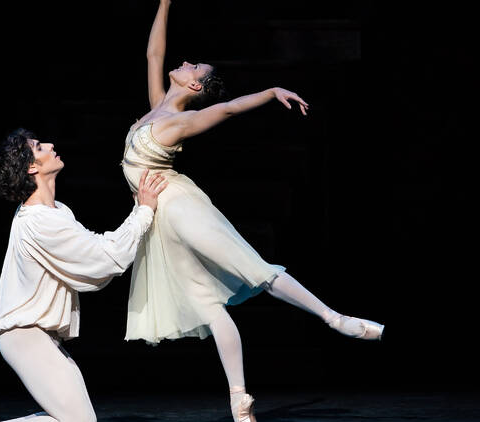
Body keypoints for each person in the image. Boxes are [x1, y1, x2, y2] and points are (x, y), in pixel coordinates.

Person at [121, 2, 384, 421]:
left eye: (195, 68)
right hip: (161, 219)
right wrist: (165, 3)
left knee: (252, 268)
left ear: (195, 88)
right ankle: (239, 399)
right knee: (209, 304)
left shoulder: (177, 122)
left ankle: (334, 318)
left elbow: (225, 109)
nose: (185, 63)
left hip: (179, 206)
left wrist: (270, 92)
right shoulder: (157, 104)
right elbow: (154, 53)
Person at [0, 128, 167, 422]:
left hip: (36, 336)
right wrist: (144, 211)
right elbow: (104, 258)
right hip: (25, 335)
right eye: (38, 146)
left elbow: (95, 253)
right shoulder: (39, 221)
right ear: (32, 167)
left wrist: (140, 213)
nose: (50, 145)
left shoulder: (56, 211)